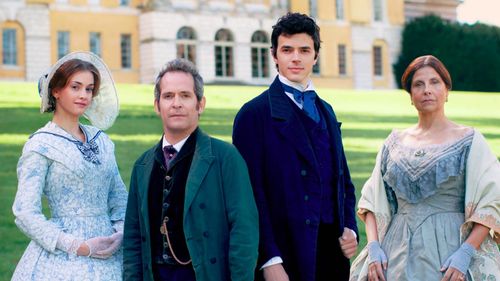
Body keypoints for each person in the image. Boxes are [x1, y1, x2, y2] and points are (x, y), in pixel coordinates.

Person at [349, 55, 500, 281]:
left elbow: (491, 202)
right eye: (418, 84)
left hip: (450, 255)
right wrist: (373, 248)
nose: (427, 90)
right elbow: (372, 201)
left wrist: (465, 253)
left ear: (447, 91)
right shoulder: (393, 143)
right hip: (394, 256)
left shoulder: (470, 140)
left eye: (434, 82)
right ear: (410, 96)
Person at [232, 12, 358, 281]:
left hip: (330, 253)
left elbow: (343, 181)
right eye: (287, 50)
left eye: (304, 50)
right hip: (285, 253)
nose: (296, 58)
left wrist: (350, 227)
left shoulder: (326, 111)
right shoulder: (253, 115)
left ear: (315, 55)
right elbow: (249, 196)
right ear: (274, 55)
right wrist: (268, 259)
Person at [122, 58, 258, 281]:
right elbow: (134, 238)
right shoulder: (142, 165)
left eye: (185, 95)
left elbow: (244, 232)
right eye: (168, 96)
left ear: (200, 104)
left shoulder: (226, 157)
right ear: (157, 105)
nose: (176, 103)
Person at [11, 51, 128, 280]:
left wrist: (120, 233)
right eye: (75, 87)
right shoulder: (41, 145)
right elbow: (25, 212)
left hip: (109, 252)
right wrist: (78, 246)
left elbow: (119, 197)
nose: (84, 95)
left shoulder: (101, 140)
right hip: (63, 256)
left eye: (89, 89)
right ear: (56, 91)